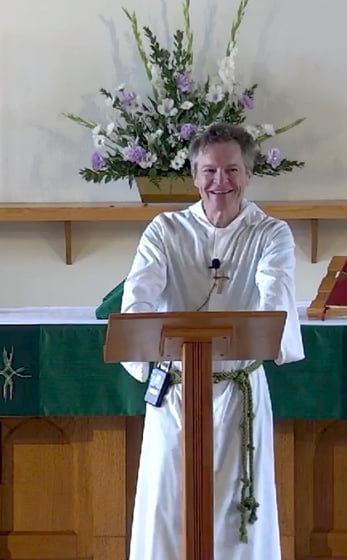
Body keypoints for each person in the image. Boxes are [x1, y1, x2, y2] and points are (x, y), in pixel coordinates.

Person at [120, 122, 305, 559]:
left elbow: (272, 303)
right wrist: (155, 358)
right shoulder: (165, 231)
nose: (220, 182)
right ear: (194, 175)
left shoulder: (270, 234)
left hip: (237, 391)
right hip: (177, 390)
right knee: (168, 503)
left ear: (248, 174)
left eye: (231, 170)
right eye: (209, 171)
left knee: (237, 507)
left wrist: (256, 328)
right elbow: (137, 303)